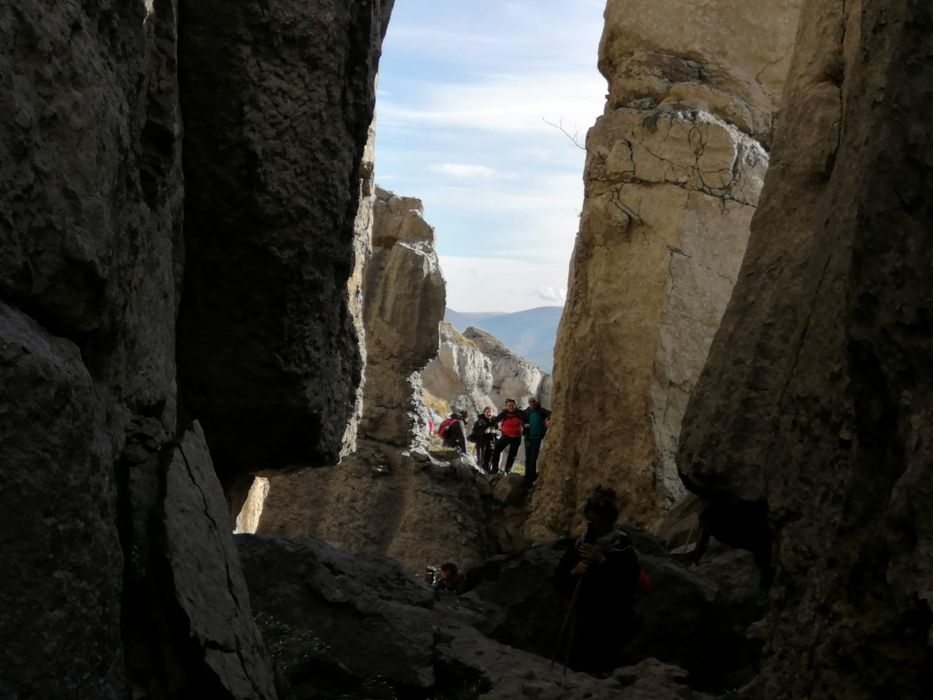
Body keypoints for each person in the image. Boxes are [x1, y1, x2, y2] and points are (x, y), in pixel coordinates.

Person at [553, 487, 640, 675]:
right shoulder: (581, 543)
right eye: (591, 521)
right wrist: (573, 572)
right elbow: (558, 579)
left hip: (610, 622)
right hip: (582, 619)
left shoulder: (622, 546)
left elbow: (628, 584)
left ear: (610, 520)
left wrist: (602, 560)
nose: (595, 526)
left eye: (600, 521)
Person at [491, 399, 525, 473]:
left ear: (515, 405)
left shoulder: (520, 413)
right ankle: (494, 469)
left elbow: (527, 418)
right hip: (506, 436)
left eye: (512, 405)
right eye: (509, 405)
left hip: (516, 438)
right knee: (496, 450)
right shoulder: (504, 413)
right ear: (506, 406)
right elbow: (496, 420)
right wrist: (492, 424)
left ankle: (507, 471)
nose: (511, 407)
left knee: (512, 455)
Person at [522, 397, 551, 484]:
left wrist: (548, 421)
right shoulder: (526, 412)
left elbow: (551, 413)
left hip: (537, 438)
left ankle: (532, 476)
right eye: (530, 402)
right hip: (528, 437)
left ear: (535, 402)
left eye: (533, 402)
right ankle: (528, 475)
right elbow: (522, 422)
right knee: (528, 457)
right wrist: (524, 425)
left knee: (533, 457)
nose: (532, 403)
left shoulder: (540, 411)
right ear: (529, 403)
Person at [470, 406, 498, 472]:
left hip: (491, 443)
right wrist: (484, 431)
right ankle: (479, 470)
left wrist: (495, 431)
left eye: (490, 412)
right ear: (484, 412)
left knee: (488, 458)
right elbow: (475, 431)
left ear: (492, 413)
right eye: (487, 412)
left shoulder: (495, 421)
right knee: (480, 459)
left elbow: (500, 432)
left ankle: (486, 470)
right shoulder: (479, 421)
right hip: (481, 442)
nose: (489, 413)